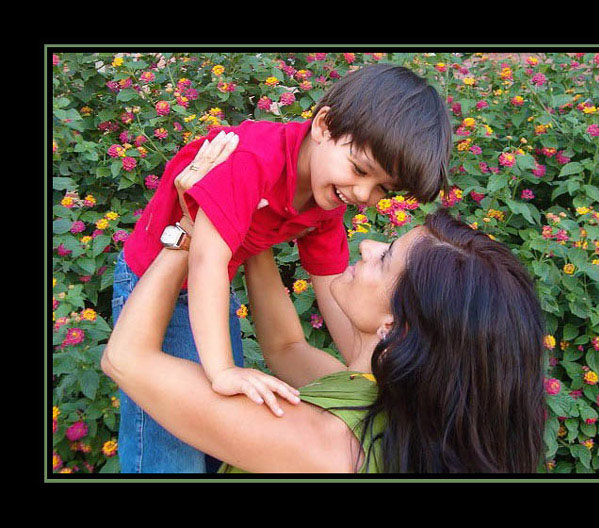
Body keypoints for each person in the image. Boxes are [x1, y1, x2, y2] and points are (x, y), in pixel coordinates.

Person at [102, 136, 546, 474]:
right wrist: (246, 211)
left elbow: (125, 359)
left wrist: (187, 226)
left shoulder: (325, 446)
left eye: (386, 256)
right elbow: (285, 348)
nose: (368, 245)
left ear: (396, 326)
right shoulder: (391, 403)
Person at [113, 62, 453, 473]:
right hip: (160, 279)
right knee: (169, 441)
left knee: (215, 415)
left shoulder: (328, 195)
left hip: (211, 285)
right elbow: (206, 256)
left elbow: (330, 284)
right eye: (360, 170)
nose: (364, 194)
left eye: (383, 188)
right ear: (324, 125)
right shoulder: (254, 157)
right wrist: (222, 370)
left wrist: (366, 375)